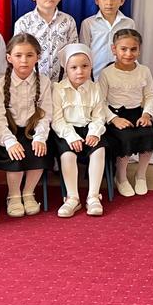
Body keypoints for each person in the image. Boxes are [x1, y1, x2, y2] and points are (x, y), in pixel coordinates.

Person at [98, 29, 153, 197]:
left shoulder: (144, 71)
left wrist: (147, 114)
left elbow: (150, 95)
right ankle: (121, 177)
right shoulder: (106, 73)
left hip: (138, 114)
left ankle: (141, 175)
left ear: (139, 50)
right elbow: (100, 101)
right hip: (115, 115)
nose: (128, 54)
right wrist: (114, 119)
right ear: (114, 49)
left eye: (133, 49)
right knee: (126, 138)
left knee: (149, 135)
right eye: (123, 49)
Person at [0, 34, 54, 217]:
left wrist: (40, 137)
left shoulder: (44, 82)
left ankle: (28, 192)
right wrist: (10, 142)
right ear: (9, 58)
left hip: (33, 131)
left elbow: (45, 115)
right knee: (16, 156)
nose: (24, 60)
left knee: (38, 152)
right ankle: (13, 195)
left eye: (29, 55)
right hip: (8, 133)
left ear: (38, 57)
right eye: (18, 55)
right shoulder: (0, 85)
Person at [52, 44, 109, 217]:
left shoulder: (95, 88)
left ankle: (93, 196)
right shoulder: (58, 89)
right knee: (67, 155)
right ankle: (72, 197)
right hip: (66, 131)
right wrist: (71, 137)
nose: (80, 71)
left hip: (89, 129)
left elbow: (99, 116)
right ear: (66, 69)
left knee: (99, 151)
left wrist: (94, 133)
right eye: (74, 67)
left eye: (85, 66)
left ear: (91, 67)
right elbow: (57, 120)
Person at [13, 0, 78, 82]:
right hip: (33, 82)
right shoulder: (23, 23)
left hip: (63, 82)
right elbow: (18, 55)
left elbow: (74, 53)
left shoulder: (68, 21)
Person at [80, 0, 135, 77]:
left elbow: (132, 50)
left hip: (122, 76)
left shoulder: (129, 23)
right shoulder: (88, 23)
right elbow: (84, 52)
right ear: (96, 0)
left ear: (122, 1)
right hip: (96, 76)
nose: (109, 3)